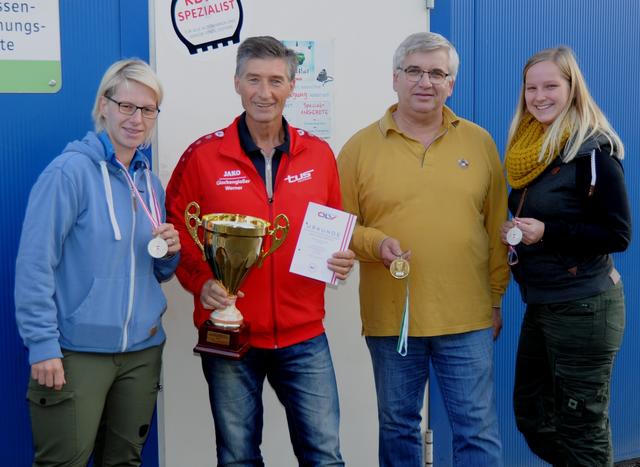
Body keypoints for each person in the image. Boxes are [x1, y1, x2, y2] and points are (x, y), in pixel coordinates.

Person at [165, 36, 354, 466]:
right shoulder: (202, 156)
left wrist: (340, 260)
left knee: (324, 456)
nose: (264, 92)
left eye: (275, 80)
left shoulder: (320, 155)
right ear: (236, 83)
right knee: (237, 458)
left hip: (304, 336)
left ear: (292, 86)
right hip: (231, 334)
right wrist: (201, 282)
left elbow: (332, 230)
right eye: (254, 79)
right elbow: (179, 228)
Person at [337, 32, 509, 467]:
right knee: (398, 427)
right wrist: (377, 243)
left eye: (438, 73)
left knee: (476, 429)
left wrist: (495, 299)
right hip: (391, 316)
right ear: (395, 78)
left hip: (466, 317)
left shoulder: (480, 143)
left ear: (452, 83)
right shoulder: (358, 148)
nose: (425, 82)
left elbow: (496, 230)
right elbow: (338, 228)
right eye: (414, 71)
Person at [14, 59, 180, 466]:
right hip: (75, 353)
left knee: (123, 461)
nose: (137, 119)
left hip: (142, 351)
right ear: (103, 105)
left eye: (148, 109)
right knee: (63, 462)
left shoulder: (149, 182)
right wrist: (42, 345)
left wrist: (169, 253)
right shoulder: (69, 173)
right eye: (127, 106)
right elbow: (35, 264)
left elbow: (154, 271)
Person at [501, 46, 631, 466]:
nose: (539, 96)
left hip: (585, 305)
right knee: (533, 415)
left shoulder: (593, 151)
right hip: (544, 301)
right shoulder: (531, 146)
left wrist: (547, 232)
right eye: (531, 88)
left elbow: (617, 233)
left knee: (582, 424)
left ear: (573, 89)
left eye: (551, 86)